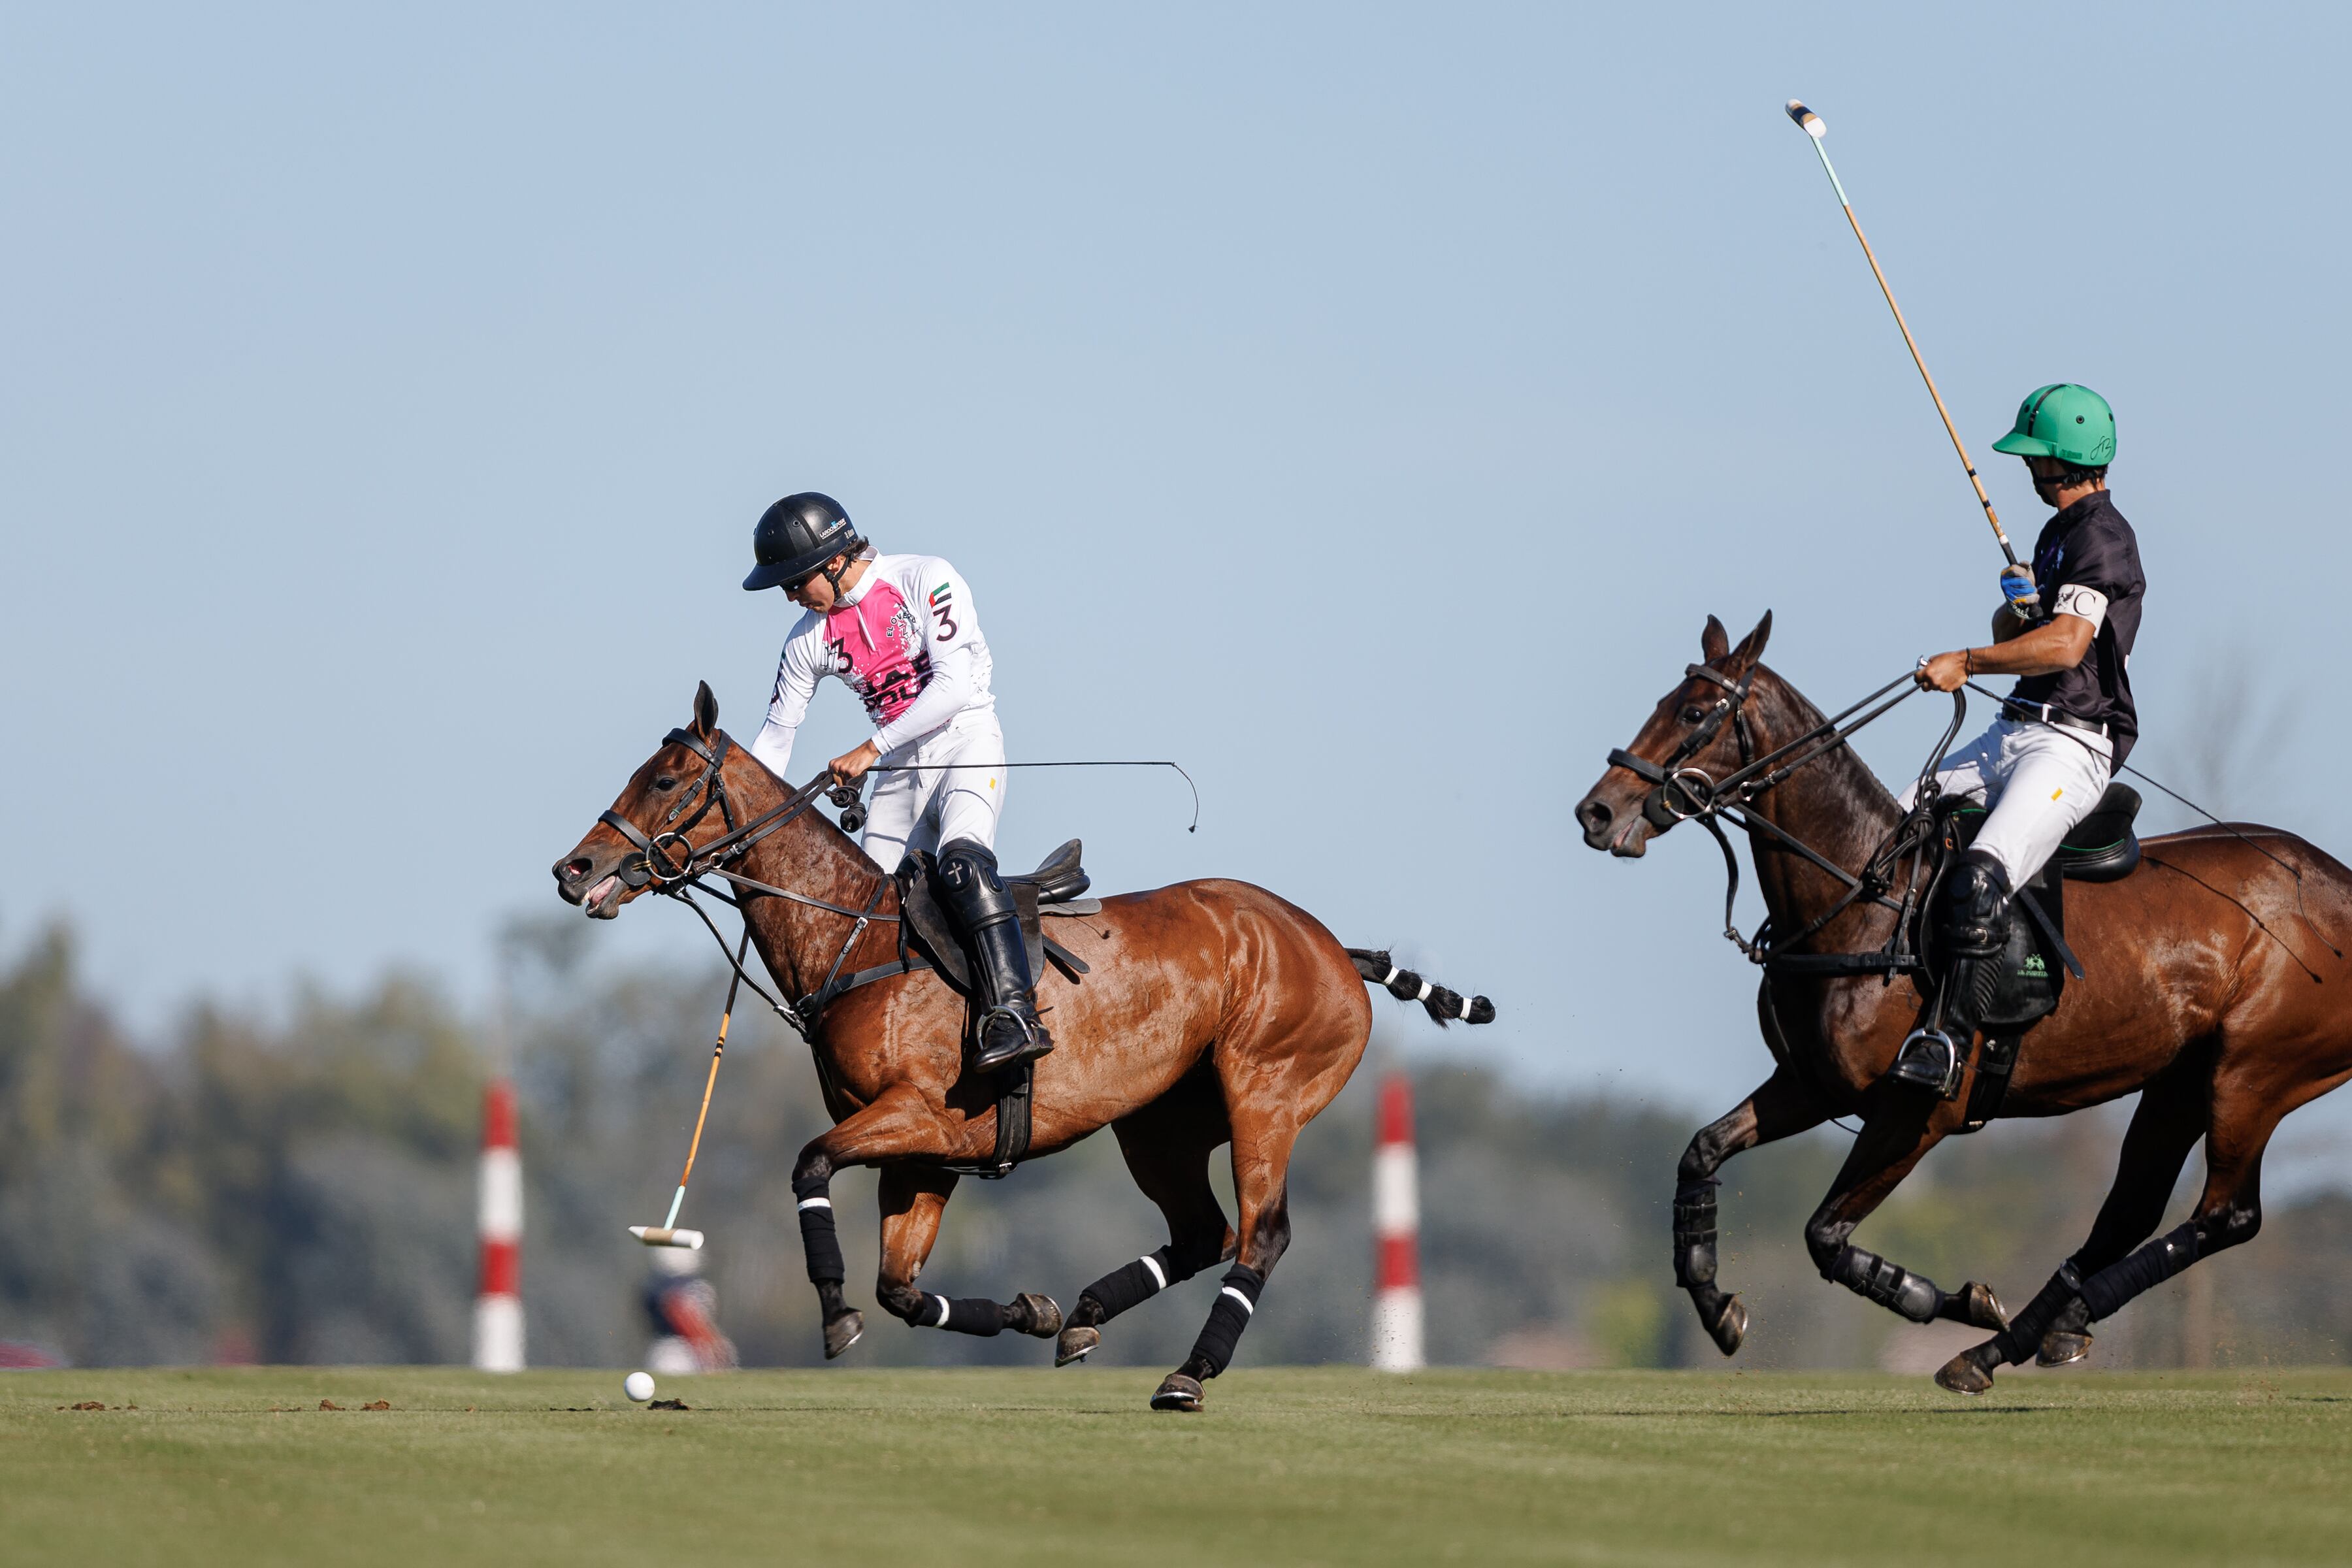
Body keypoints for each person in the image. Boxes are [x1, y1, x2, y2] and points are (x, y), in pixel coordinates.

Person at [741, 491, 1052, 1071]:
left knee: (962, 865)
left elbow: (955, 686)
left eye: (794, 581)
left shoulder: (926, 578)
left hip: (965, 742)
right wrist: (749, 824)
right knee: (867, 913)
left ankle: (1014, 1014)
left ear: (834, 561)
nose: (789, 596)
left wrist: (868, 748)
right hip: (898, 774)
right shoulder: (806, 641)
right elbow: (777, 737)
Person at [1897, 384, 2144, 1081]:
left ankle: (1945, 1038)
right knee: (1890, 828)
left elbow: (2066, 648)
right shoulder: (2057, 535)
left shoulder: (2101, 536)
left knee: (1980, 878)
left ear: (2060, 464)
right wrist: (2018, 607)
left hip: (2071, 744)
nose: (2028, 469)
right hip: (2012, 730)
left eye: (2035, 457)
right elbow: (2029, 633)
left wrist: (1968, 661)